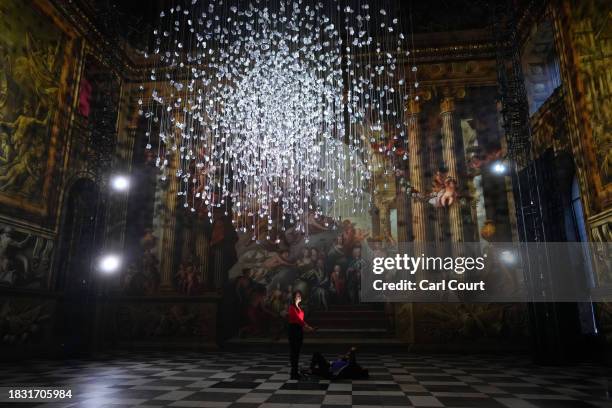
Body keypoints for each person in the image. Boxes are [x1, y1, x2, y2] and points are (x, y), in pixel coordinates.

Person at [287, 290, 315, 380]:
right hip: (293, 331)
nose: (299, 297)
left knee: (297, 352)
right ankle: (293, 373)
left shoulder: (299, 308)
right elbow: (298, 320)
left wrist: (307, 327)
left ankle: (295, 372)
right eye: (298, 295)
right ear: (294, 297)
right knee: (294, 352)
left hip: (299, 331)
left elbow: (301, 321)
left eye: (300, 295)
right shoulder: (291, 308)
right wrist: (307, 326)